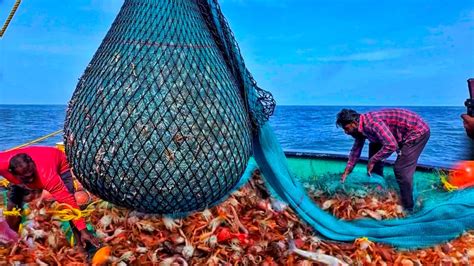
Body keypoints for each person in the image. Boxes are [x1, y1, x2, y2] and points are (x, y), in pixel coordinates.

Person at [0, 146, 99, 248]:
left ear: (33, 165)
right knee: (12, 207)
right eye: (27, 178)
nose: (30, 180)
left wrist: (83, 230)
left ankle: (80, 244)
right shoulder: (2, 163)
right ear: (11, 172)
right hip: (21, 175)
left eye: (32, 176)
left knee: (67, 208)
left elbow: (68, 202)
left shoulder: (47, 176)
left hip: (59, 162)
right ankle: (11, 241)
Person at [336, 108, 430, 212]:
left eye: (346, 128)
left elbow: (391, 145)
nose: (345, 132)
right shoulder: (359, 129)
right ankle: (379, 192)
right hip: (395, 133)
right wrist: (347, 171)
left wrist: (372, 160)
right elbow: (355, 151)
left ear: (354, 123)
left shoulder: (373, 123)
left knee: (401, 169)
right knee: (374, 153)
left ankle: (409, 207)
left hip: (417, 131)